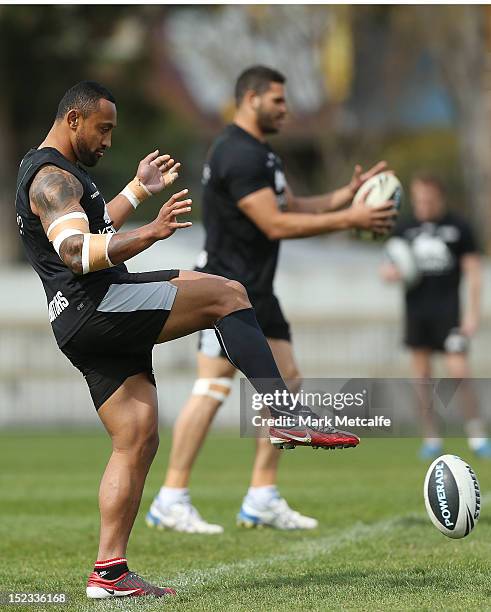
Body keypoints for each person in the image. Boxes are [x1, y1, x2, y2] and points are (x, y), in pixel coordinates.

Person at [15, 81, 364, 600]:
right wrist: (152, 232)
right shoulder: (51, 176)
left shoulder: (59, 175)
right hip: (98, 304)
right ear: (73, 120)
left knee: (135, 439)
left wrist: (137, 189)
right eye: (103, 128)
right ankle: (284, 415)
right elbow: (76, 251)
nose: (109, 140)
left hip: (77, 323)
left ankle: (108, 574)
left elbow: (94, 225)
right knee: (227, 293)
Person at [146, 65, 396, 535]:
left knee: (288, 383)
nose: (286, 108)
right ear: (251, 98)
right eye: (278, 100)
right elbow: (274, 224)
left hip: (260, 288)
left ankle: (261, 495)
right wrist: (353, 218)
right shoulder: (236, 153)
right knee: (214, 387)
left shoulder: (263, 154)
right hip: (226, 289)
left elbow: (291, 207)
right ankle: (170, 497)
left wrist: (345, 198)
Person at [380, 174, 491, 459]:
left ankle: (477, 434)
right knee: (422, 378)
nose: (423, 205)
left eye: (428, 200)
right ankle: (431, 437)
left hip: (450, 314)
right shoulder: (404, 228)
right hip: (417, 314)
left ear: (439, 198)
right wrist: (391, 273)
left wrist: (472, 315)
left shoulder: (458, 227)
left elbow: (474, 273)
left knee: (459, 373)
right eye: (418, 200)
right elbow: (387, 266)